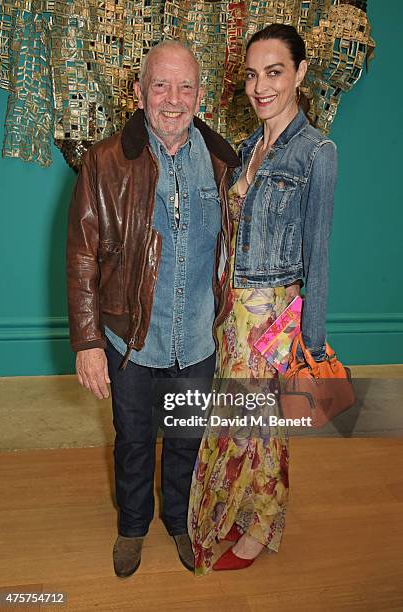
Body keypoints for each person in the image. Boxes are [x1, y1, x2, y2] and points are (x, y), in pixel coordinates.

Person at [66, 40, 238, 578]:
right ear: (139, 93)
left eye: (185, 86)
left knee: (187, 440)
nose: (172, 98)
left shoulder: (222, 161)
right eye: (160, 85)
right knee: (135, 442)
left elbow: (233, 249)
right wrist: (89, 342)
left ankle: (179, 523)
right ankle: (133, 526)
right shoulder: (105, 161)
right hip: (131, 341)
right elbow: (82, 256)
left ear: (200, 96)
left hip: (198, 342)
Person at [188, 24, 337, 573]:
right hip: (234, 313)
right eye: (252, 75)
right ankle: (239, 510)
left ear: (299, 74)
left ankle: (260, 527)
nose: (260, 86)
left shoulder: (317, 152)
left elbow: (317, 255)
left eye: (274, 72)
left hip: (274, 313)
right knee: (234, 422)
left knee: (262, 428)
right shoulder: (250, 145)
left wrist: (312, 345)